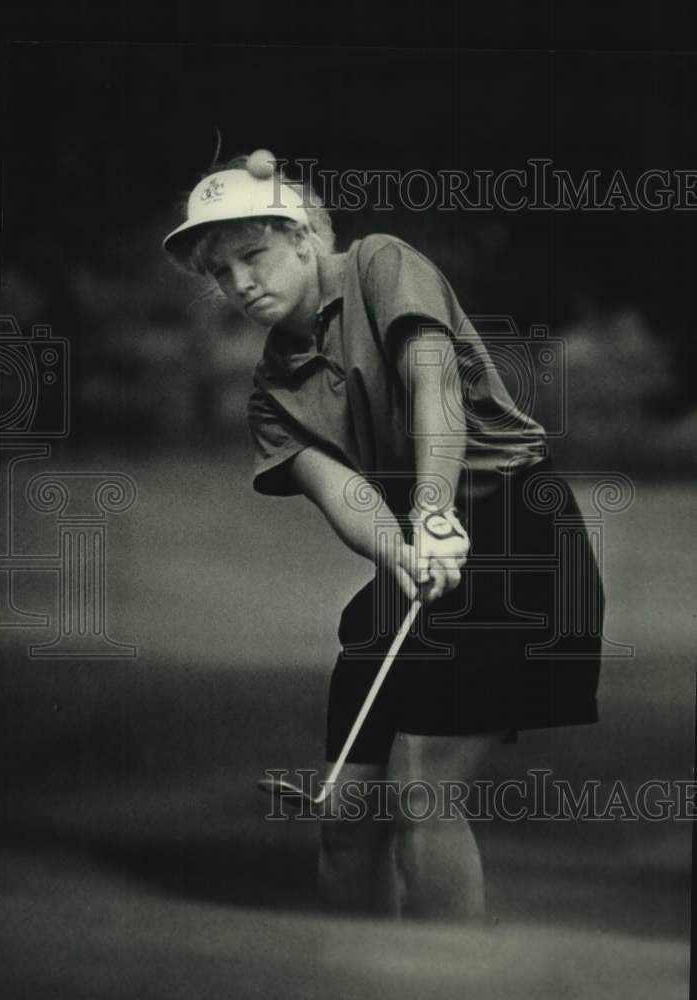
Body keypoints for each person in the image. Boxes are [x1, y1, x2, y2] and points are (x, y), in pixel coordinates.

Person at [163, 150, 604, 921]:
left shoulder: (381, 262)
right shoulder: (272, 394)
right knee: (346, 814)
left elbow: (432, 385)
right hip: (413, 555)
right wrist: (404, 549)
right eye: (220, 272)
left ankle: (429, 978)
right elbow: (345, 495)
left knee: (421, 792)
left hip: (518, 529)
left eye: (252, 255)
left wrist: (433, 511)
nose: (239, 284)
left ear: (301, 237)